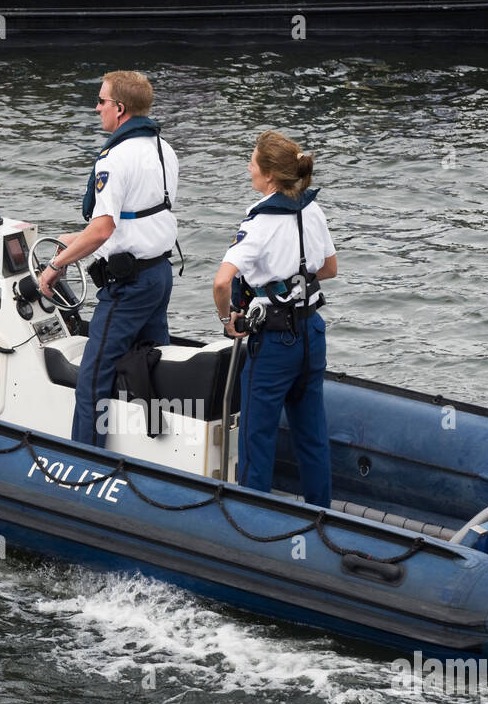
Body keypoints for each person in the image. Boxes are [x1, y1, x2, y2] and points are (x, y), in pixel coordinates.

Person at [39, 69, 179, 448]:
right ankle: (157, 453)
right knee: (152, 365)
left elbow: (102, 230)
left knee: (92, 378)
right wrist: (67, 242)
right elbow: (134, 219)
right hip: (159, 275)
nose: (97, 107)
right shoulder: (163, 150)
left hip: (128, 287)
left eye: (101, 101)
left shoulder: (113, 159)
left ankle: (84, 470)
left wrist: (55, 266)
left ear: (119, 108)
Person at [212, 131, 337, 507]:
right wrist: (291, 280)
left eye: (252, 162)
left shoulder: (260, 222)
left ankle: (251, 522)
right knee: (312, 436)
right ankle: (322, 515)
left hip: (276, 342)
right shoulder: (312, 210)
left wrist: (227, 318)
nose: (248, 168)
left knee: (257, 436)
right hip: (312, 332)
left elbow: (221, 281)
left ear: (268, 176)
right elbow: (329, 268)